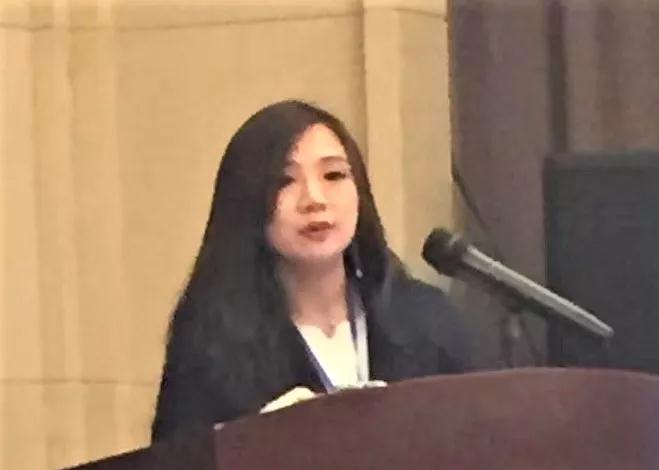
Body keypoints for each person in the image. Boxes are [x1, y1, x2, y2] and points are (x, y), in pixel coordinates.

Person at [151, 100, 471, 442]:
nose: (314, 199)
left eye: (334, 175)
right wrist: (255, 439)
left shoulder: (425, 318)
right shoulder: (210, 344)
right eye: (285, 181)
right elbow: (176, 468)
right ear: (247, 202)